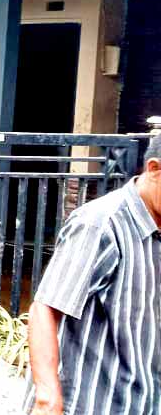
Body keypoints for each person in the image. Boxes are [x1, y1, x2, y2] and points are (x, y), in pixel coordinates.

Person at [26, 134, 161, 415]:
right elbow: (45, 308)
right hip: (90, 405)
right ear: (154, 169)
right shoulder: (101, 224)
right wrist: (47, 401)